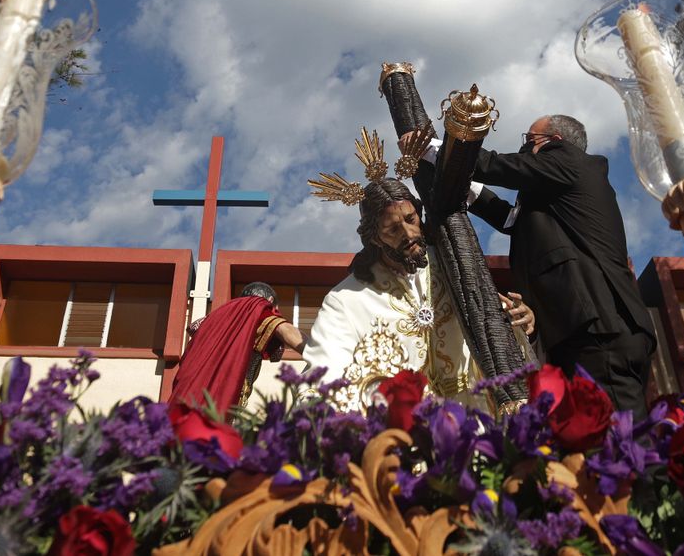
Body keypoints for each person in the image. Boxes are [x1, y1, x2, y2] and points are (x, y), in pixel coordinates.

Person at [466, 114, 656, 411]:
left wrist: (443, 151)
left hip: (598, 332)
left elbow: (503, 167)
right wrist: (467, 189)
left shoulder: (571, 160)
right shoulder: (558, 193)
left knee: (616, 432)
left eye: (529, 141)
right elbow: (512, 219)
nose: (524, 150)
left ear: (555, 142)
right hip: (582, 332)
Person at [302, 177, 534, 412]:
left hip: (475, 416)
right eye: (392, 229)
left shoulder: (454, 266)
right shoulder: (346, 299)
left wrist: (518, 321)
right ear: (375, 238)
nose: (408, 233)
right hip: (406, 424)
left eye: (410, 219)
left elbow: (491, 323)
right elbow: (325, 368)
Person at [170, 281, 304, 416]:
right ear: (269, 301)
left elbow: (194, 328)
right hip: (216, 400)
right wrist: (315, 351)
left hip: (184, 395)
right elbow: (285, 330)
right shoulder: (257, 308)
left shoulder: (216, 317)